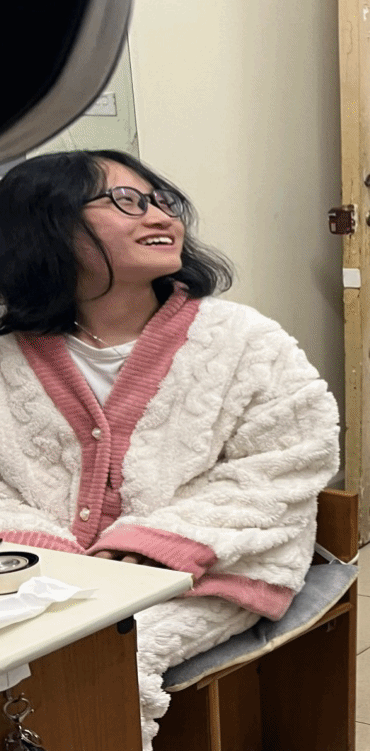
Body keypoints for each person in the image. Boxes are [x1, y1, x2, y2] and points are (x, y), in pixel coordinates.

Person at [0, 149, 340, 750]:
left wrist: (149, 547)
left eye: (161, 201)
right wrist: (54, 557)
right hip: (38, 571)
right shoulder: (8, 354)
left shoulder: (244, 340)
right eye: (126, 202)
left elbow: (288, 464)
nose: (161, 217)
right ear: (46, 224)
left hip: (209, 571)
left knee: (97, 664)